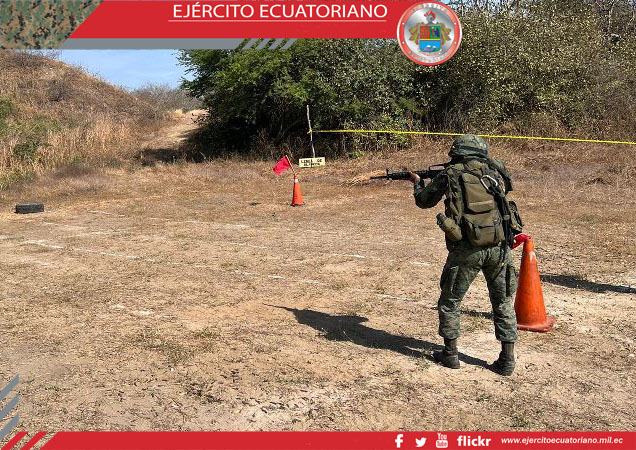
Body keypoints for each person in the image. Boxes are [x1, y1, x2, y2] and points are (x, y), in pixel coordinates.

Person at [409, 134, 520, 376]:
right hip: (499, 245)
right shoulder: (496, 170)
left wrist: (417, 182)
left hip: (467, 248)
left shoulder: (450, 174)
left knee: (450, 301)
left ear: (457, 152)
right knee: (502, 302)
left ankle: (450, 354)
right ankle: (507, 359)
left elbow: (423, 201)